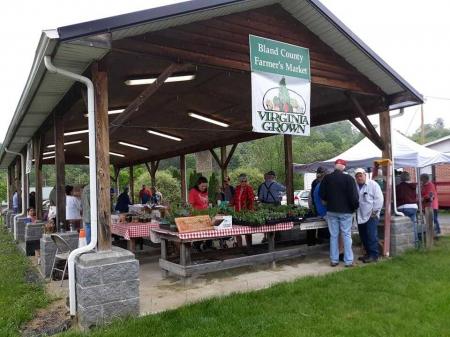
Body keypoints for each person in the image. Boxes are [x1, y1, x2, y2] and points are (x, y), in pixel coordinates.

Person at [319, 159, 359, 267]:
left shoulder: (327, 178)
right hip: (346, 211)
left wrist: (328, 200)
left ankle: (334, 260)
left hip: (331, 210)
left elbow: (321, 194)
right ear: (344, 167)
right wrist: (355, 207)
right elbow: (354, 197)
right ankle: (348, 261)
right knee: (346, 235)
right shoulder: (349, 179)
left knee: (334, 236)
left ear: (334, 166)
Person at [354, 168, 384, 263]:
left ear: (365, 175)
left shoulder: (373, 185)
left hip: (371, 215)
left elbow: (379, 200)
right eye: (357, 176)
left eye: (360, 175)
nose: (359, 178)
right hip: (360, 215)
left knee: (371, 235)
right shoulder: (355, 186)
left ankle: (374, 255)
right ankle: (367, 254)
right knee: (363, 236)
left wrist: (374, 213)